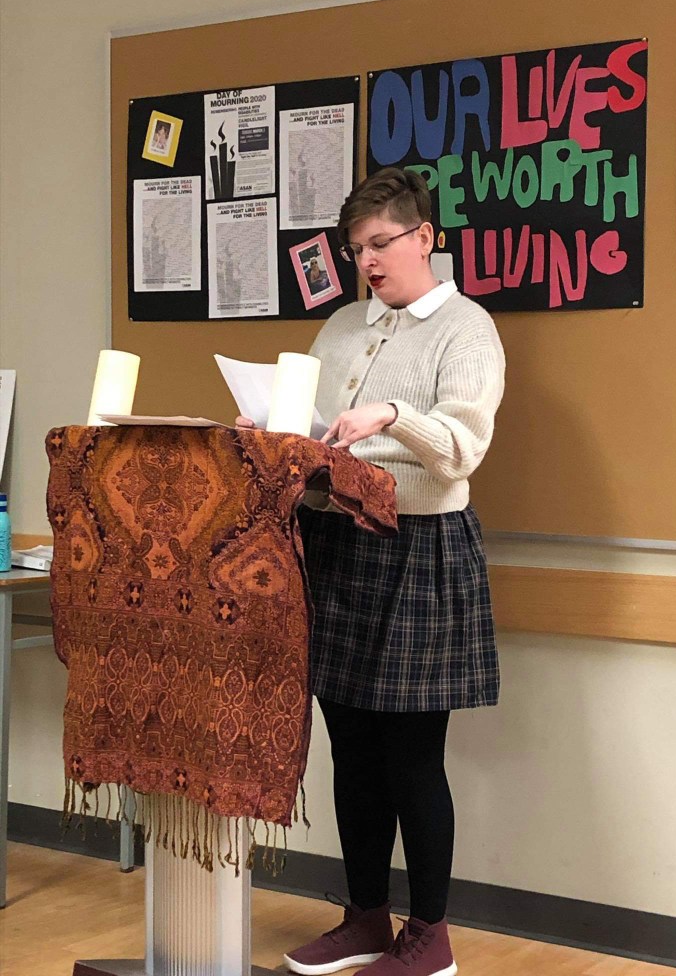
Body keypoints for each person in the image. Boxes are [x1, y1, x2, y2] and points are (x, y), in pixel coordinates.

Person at [237, 167, 505, 976]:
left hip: (419, 546)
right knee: (348, 747)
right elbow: (318, 438)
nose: (369, 263)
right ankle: (363, 918)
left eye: (382, 243)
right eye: (358, 250)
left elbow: (464, 445)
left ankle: (430, 938)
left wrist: (391, 415)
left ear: (424, 236)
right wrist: (276, 431)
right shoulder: (342, 326)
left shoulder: (466, 329)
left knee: (412, 756)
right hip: (337, 545)